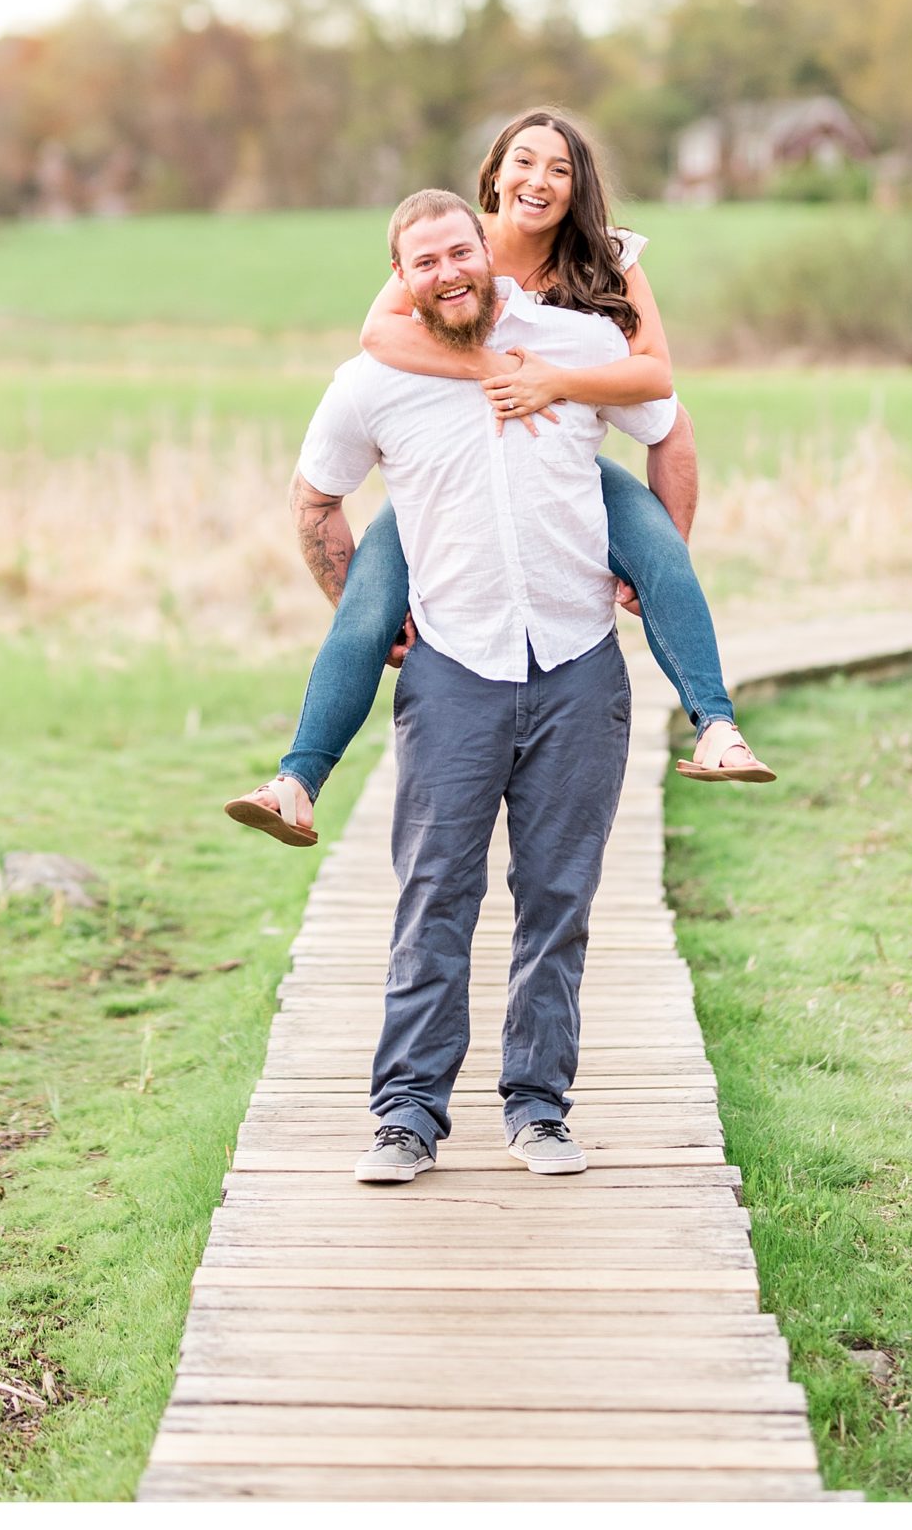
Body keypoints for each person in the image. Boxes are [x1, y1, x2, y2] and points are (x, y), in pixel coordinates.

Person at [226, 108, 772, 849]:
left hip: (560, 456)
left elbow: (655, 379)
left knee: (660, 548)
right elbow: (379, 334)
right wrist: (491, 368)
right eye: (523, 161)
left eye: (559, 168)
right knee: (366, 605)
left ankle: (717, 729)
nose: (538, 180)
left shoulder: (606, 257)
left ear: (577, 187)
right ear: (494, 173)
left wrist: (555, 383)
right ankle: (295, 781)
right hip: (451, 473)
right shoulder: (461, 241)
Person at [287, 187, 678, 1180]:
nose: (447, 269)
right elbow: (314, 495)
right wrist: (366, 616)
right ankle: (406, 1116)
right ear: (402, 278)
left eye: (459, 249)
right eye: (423, 261)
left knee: (557, 896)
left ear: (489, 253)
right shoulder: (371, 381)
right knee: (435, 892)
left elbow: (667, 421)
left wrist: (659, 560)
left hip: (577, 667)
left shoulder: (570, 348)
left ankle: (538, 1107)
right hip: (453, 670)